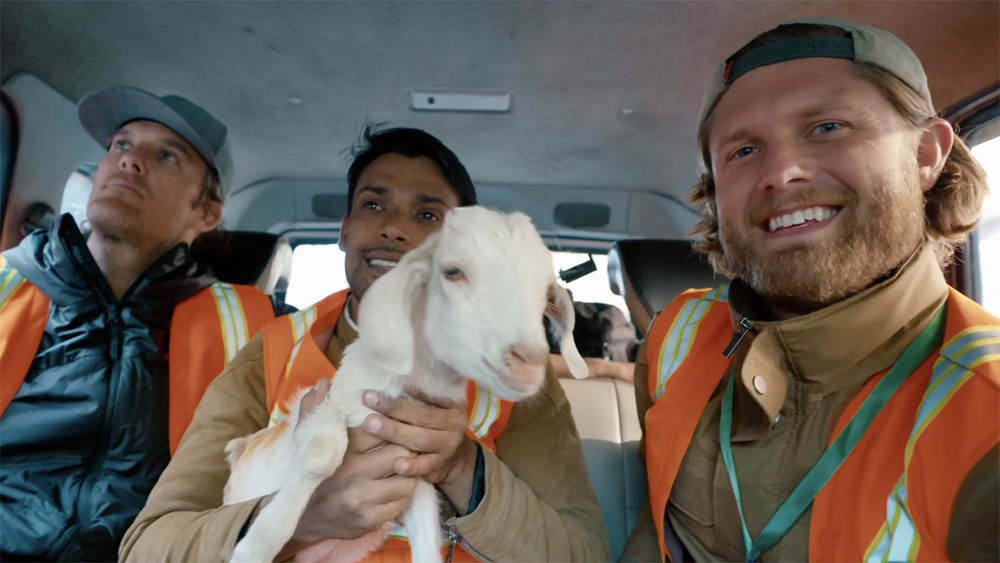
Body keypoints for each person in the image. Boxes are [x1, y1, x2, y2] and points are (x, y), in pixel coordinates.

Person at [120, 126, 610, 562]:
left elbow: (582, 552)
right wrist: (305, 518)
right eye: (373, 205)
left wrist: (462, 467)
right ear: (344, 231)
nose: (394, 228)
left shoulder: (514, 374)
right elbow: (148, 547)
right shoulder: (271, 353)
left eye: (428, 215)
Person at [623, 16, 998, 562]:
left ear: (925, 154)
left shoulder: (983, 404)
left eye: (828, 127)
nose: (783, 172)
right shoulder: (675, 336)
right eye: (743, 151)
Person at [0, 86, 276, 561]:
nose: (130, 160)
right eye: (121, 145)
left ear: (206, 212)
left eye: (166, 155)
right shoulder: (8, 285)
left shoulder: (254, 326)